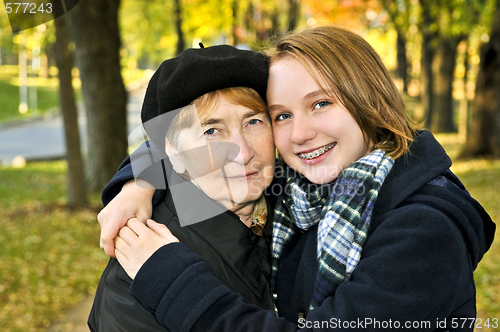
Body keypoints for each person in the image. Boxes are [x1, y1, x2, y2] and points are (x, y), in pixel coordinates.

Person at [99, 26, 495, 331]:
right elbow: (172, 143)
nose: (300, 134)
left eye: (321, 104)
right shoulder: (306, 190)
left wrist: (171, 282)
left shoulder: (422, 231)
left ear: (370, 102)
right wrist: (137, 182)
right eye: (282, 115)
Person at [88, 44, 278, 331]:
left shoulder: (304, 210)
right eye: (211, 131)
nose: (242, 152)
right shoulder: (141, 266)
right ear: (173, 152)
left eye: (253, 121)